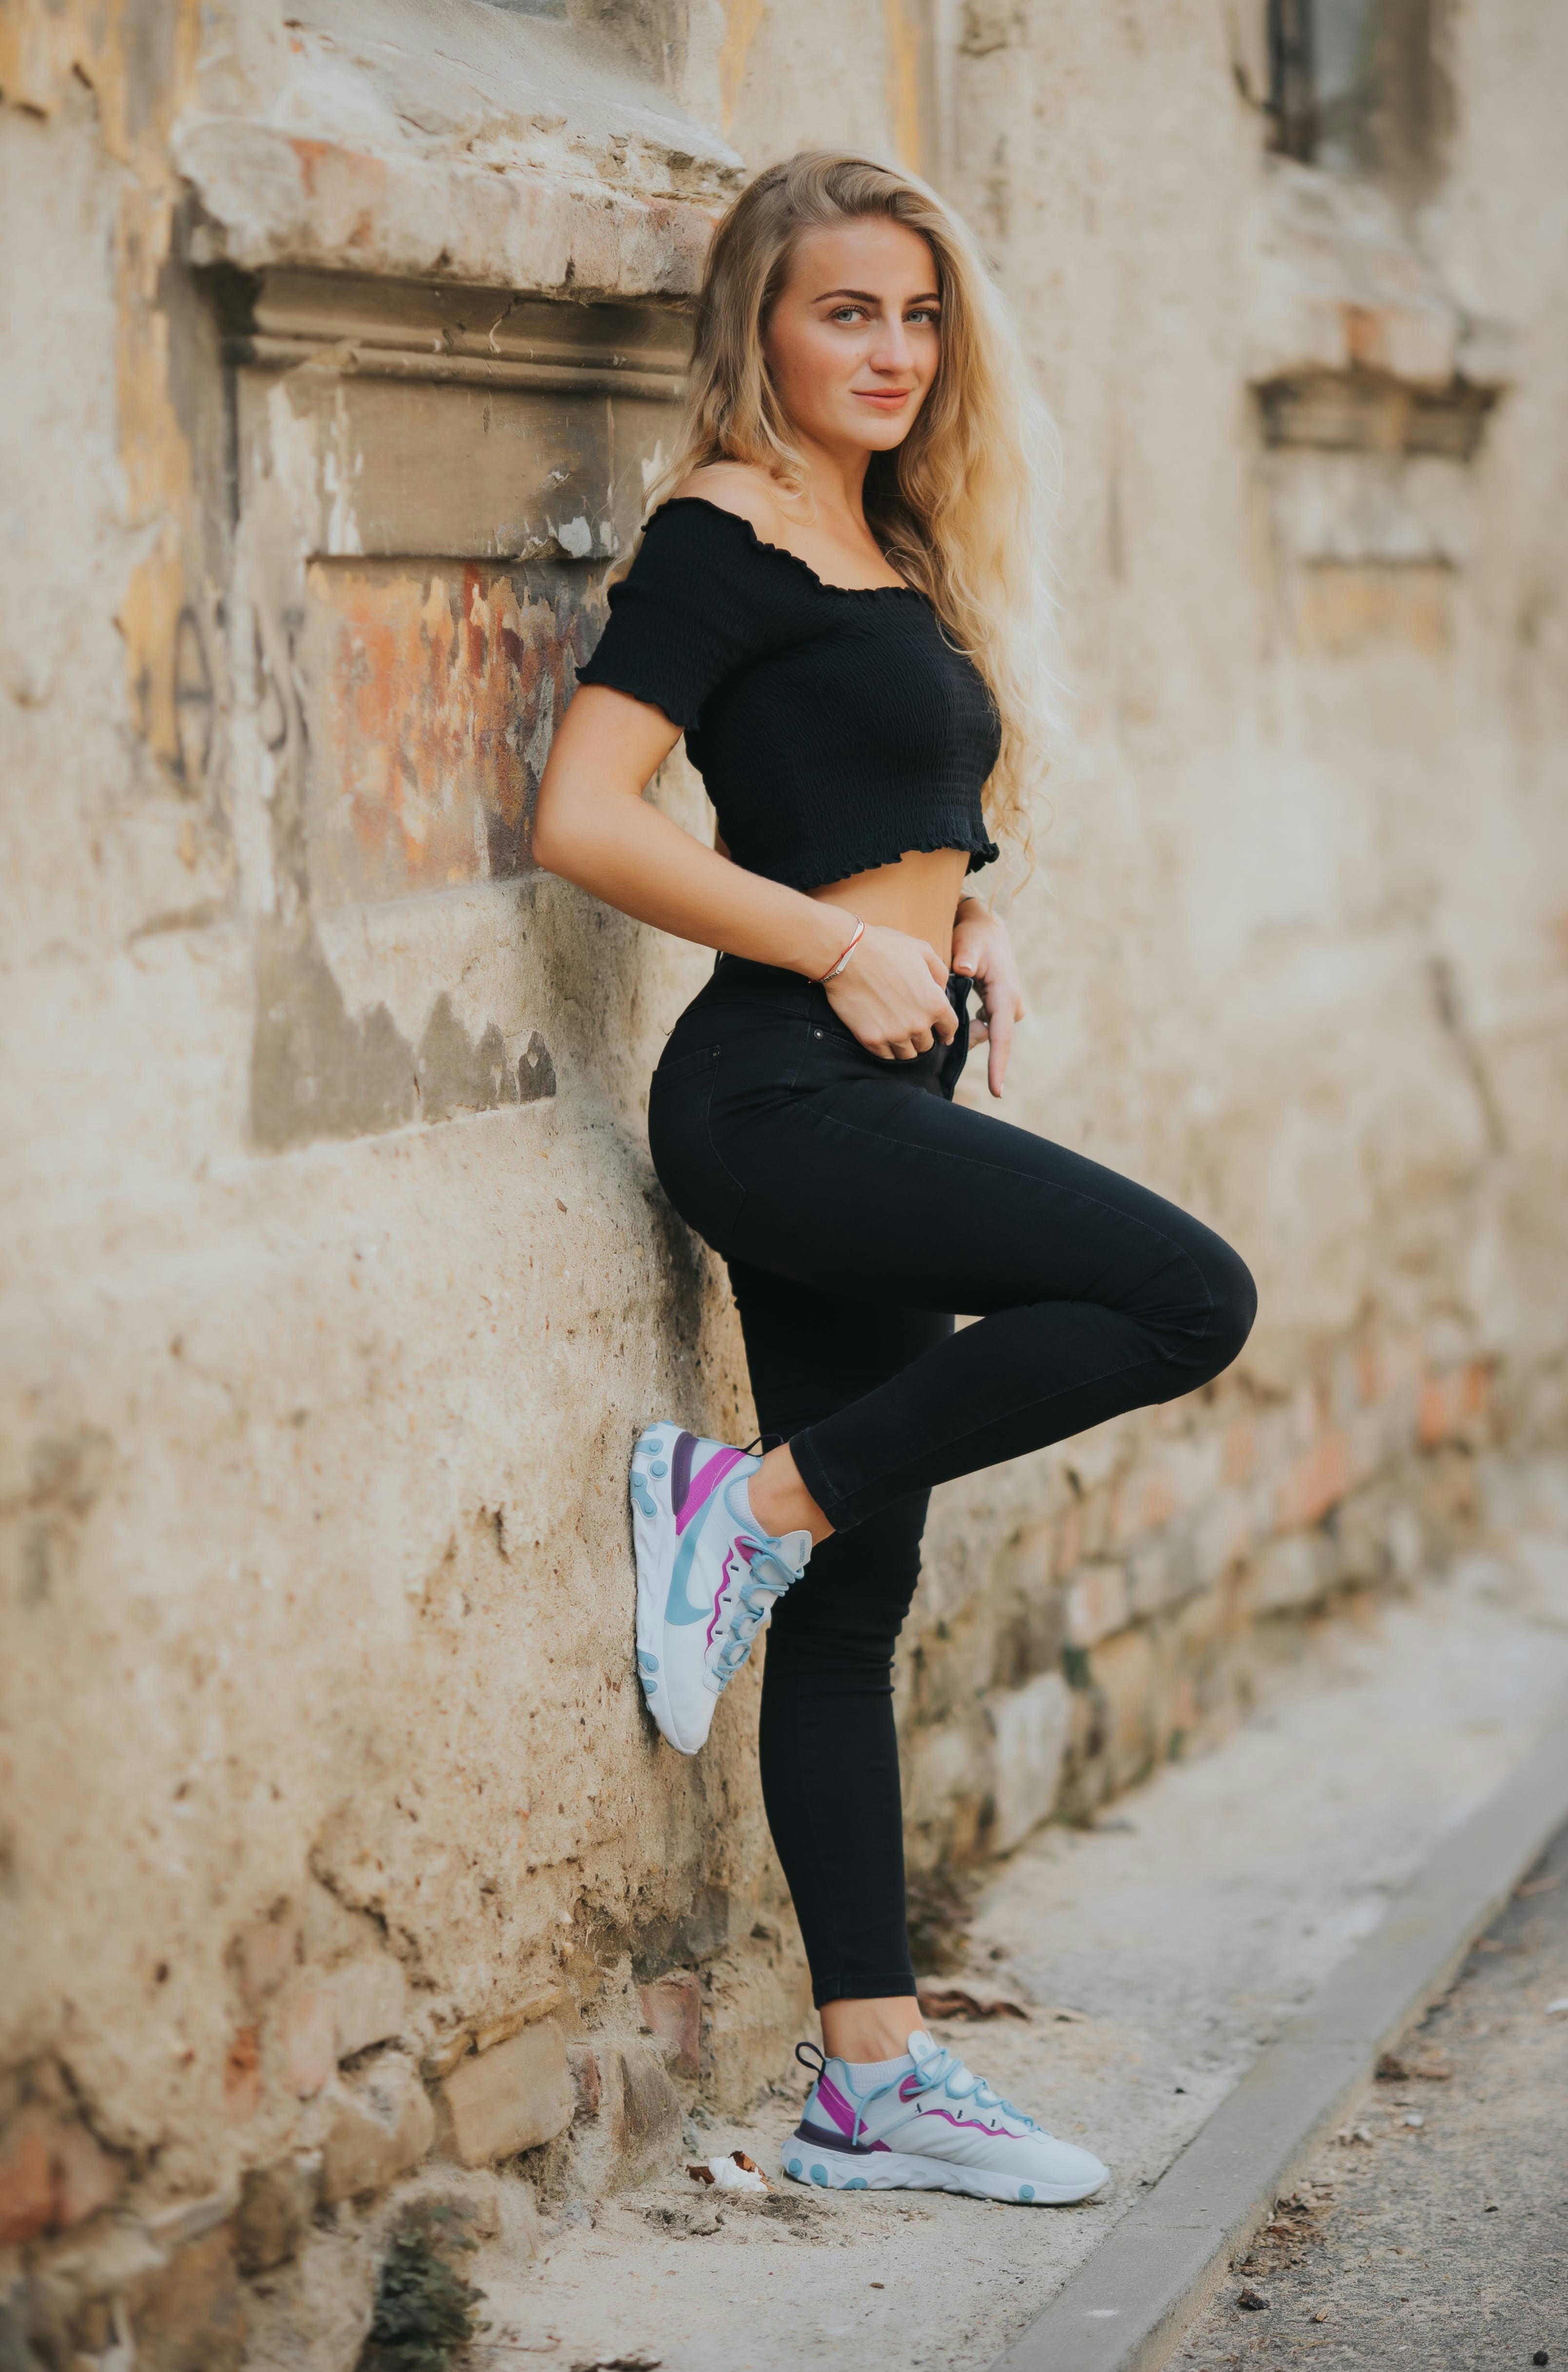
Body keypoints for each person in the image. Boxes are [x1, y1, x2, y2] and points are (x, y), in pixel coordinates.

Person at [532, 152, 1255, 2205]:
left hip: (886, 1071)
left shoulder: (885, 537)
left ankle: (868, 2078)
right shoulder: (721, 529)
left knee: (852, 1600)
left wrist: (961, 911)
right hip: (777, 1090)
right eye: (847, 311)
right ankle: (730, 1500)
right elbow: (586, 814)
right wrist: (839, 940)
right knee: (1182, 1297)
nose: (891, 351)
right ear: (760, 323)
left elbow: (890, 797)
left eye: (919, 316)